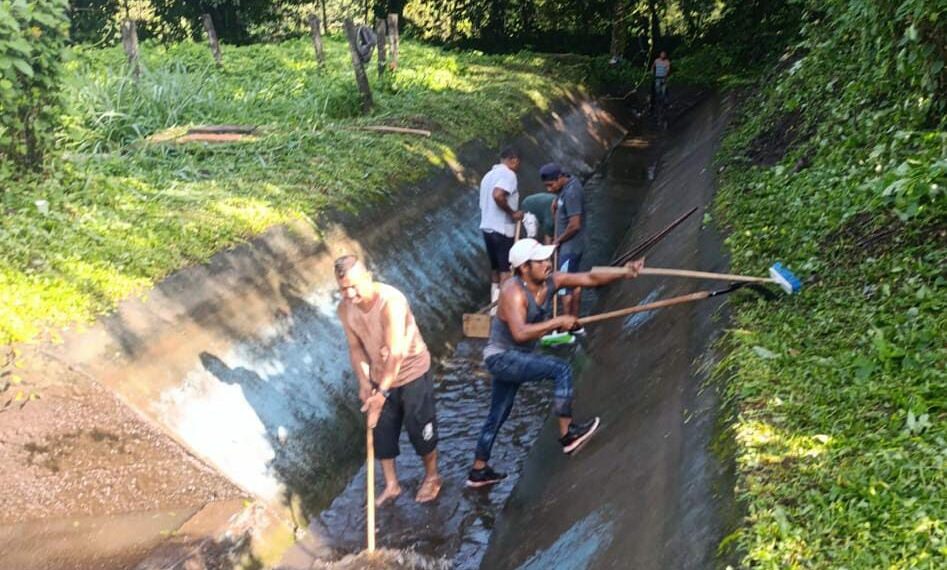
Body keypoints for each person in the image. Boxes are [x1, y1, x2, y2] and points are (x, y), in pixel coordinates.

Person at [466, 239, 645, 487]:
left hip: (518, 358)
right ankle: (568, 435)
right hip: (502, 358)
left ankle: (478, 470)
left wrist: (625, 271)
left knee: (498, 414)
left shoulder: (553, 280)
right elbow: (519, 333)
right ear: (524, 268)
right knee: (560, 369)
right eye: (540, 261)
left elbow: (590, 279)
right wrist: (557, 321)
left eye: (546, 259)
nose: (547, 264)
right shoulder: (512, 291)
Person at [335, 255, 441, 505]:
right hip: (379, 377)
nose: (349, 294)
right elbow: (356, 348)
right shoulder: (345, 309)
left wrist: (381, 395)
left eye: (354, 286)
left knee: (420, 430)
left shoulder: (390, 302)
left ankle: (432, 476)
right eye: (343, 289)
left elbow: (396, 353)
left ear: (368, 278)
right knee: (381, 432)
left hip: (411, 371)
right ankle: (392, 485)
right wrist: (364, 383)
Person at [479, 147, 523, 310]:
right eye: (518, 163)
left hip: (487, 228)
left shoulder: (488, 176)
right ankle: (504, 311)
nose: (518, 167)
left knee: (495, 269)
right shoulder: (508, 175)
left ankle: (493, 309)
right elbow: (498, 195)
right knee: (506, 270)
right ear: (513, 160)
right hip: (502, 229)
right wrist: (512, 213)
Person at [540, 163, 585, 322]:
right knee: (575, 283)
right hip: (570, 246)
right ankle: (574, 320)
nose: (549, 189)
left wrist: (558, 240)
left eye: (551, 185)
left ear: (560, 178)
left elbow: (575, 224)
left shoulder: (572, 192)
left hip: (569, 247)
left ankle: (567, 323)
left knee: (565, 289)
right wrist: (556, 203)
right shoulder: (566, 187)